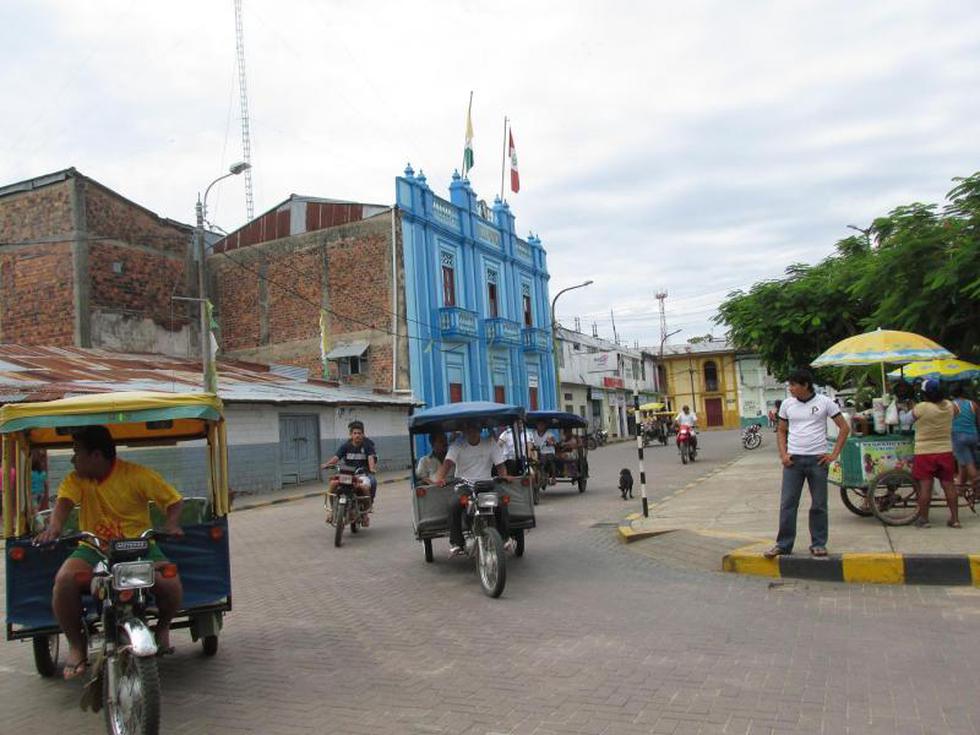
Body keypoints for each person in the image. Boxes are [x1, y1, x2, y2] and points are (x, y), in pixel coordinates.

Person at [33, 426, 184, 680]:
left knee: (171, 584)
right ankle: (77, 645)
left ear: (96, 456)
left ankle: (163, 628)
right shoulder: (76, 479)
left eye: (76, 453)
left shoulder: (136, 475)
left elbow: (174, 501)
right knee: (63, 582)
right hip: (94, 549)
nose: (73, 459)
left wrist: (171, 524)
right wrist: (54, 528)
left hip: (138, 547)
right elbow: (64, 505)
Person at [764, 369, 850, 559]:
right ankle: (783, 544)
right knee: (788, 503)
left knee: (819, 504)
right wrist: (783, 454)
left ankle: (818, 544)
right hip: (793, 461)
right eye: (790, 385)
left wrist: (834, 454)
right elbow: (781, 430)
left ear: (805, 385)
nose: (790, 388)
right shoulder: (787, 405)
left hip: (817, 461)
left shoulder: (825, 402)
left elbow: (844, 427)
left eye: (794, 385)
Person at [433, 421, 515, 557]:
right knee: (454, 505)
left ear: (480, 429)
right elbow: (447, 464)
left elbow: (500, 465)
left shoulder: (490, 443)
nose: (472, 431)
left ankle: (505, 538)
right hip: (465, 485)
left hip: (487, 484)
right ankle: (457, 543)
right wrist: (440, 478)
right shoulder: (457, 445)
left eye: (475, 428)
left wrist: (504, 476)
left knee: (502, 501)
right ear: (464, 430)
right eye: (468, 428)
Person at [911, 379, 960, 528]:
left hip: (925, 452)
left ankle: (924, 519)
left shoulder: (922, 407)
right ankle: (955, 519)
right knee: (949, 485)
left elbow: (906, 419)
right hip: (945, 450)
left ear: (925, 394)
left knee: (925, 487)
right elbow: (957, 412)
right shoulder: (950, 406)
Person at [322, 420, 378, 525]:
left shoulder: (367, 445)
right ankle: (332, 511)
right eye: (355, 433)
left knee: (365, 487)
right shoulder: (345, 446)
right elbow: (336, 458)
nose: (357, 435)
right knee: (333, 484)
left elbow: (371, 458)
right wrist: (327, 464)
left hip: (361, 475)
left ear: (363, 434)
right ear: (351, 435)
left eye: (359, 433)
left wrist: (372, 468)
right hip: (347, 475)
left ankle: (365, 513)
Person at [950, 384, 978, 493]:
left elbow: (948, 422)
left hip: (959, 437)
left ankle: (978, 485)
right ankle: (961, 485)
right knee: (963, 461)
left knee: (969, 464)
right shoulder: (973, 404)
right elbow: (978, 421)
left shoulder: (952, 405)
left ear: (952, 395)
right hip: (973, 436)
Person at [530, 420, 558, 485]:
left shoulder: (549, 434)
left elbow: (554, 442)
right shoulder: (533, 434)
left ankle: (553, 477)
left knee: (550, 459)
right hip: (538, 452)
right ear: (537, 426)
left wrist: (551, 443)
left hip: (549, 452)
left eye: (542, 425)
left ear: (545, 426)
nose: (540, 426)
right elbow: (531, 442)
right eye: (539, 425)